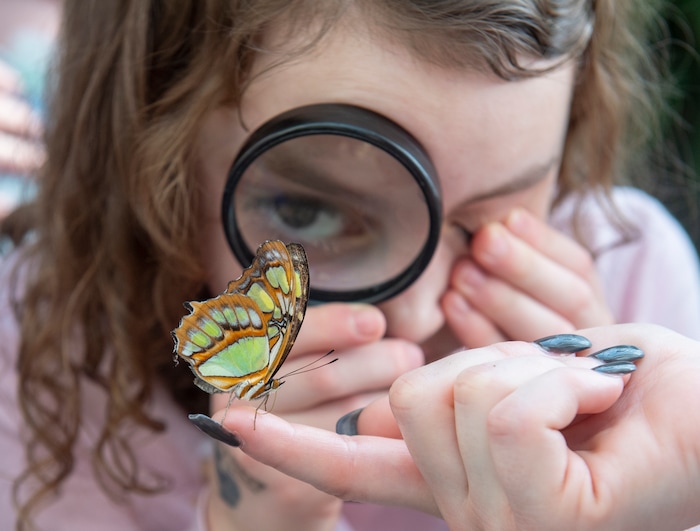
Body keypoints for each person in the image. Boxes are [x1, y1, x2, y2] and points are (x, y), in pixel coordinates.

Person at [0, 1, 698, 530]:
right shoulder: (49, 343)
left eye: (494, 217)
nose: (422, 309)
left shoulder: (632, 285)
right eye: (310, 212)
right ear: (153, 171)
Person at [208, 324, 700, 531]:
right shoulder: (138, 436)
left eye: (484, 228)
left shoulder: (631, 253)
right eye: (304, 209)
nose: (422, 312)